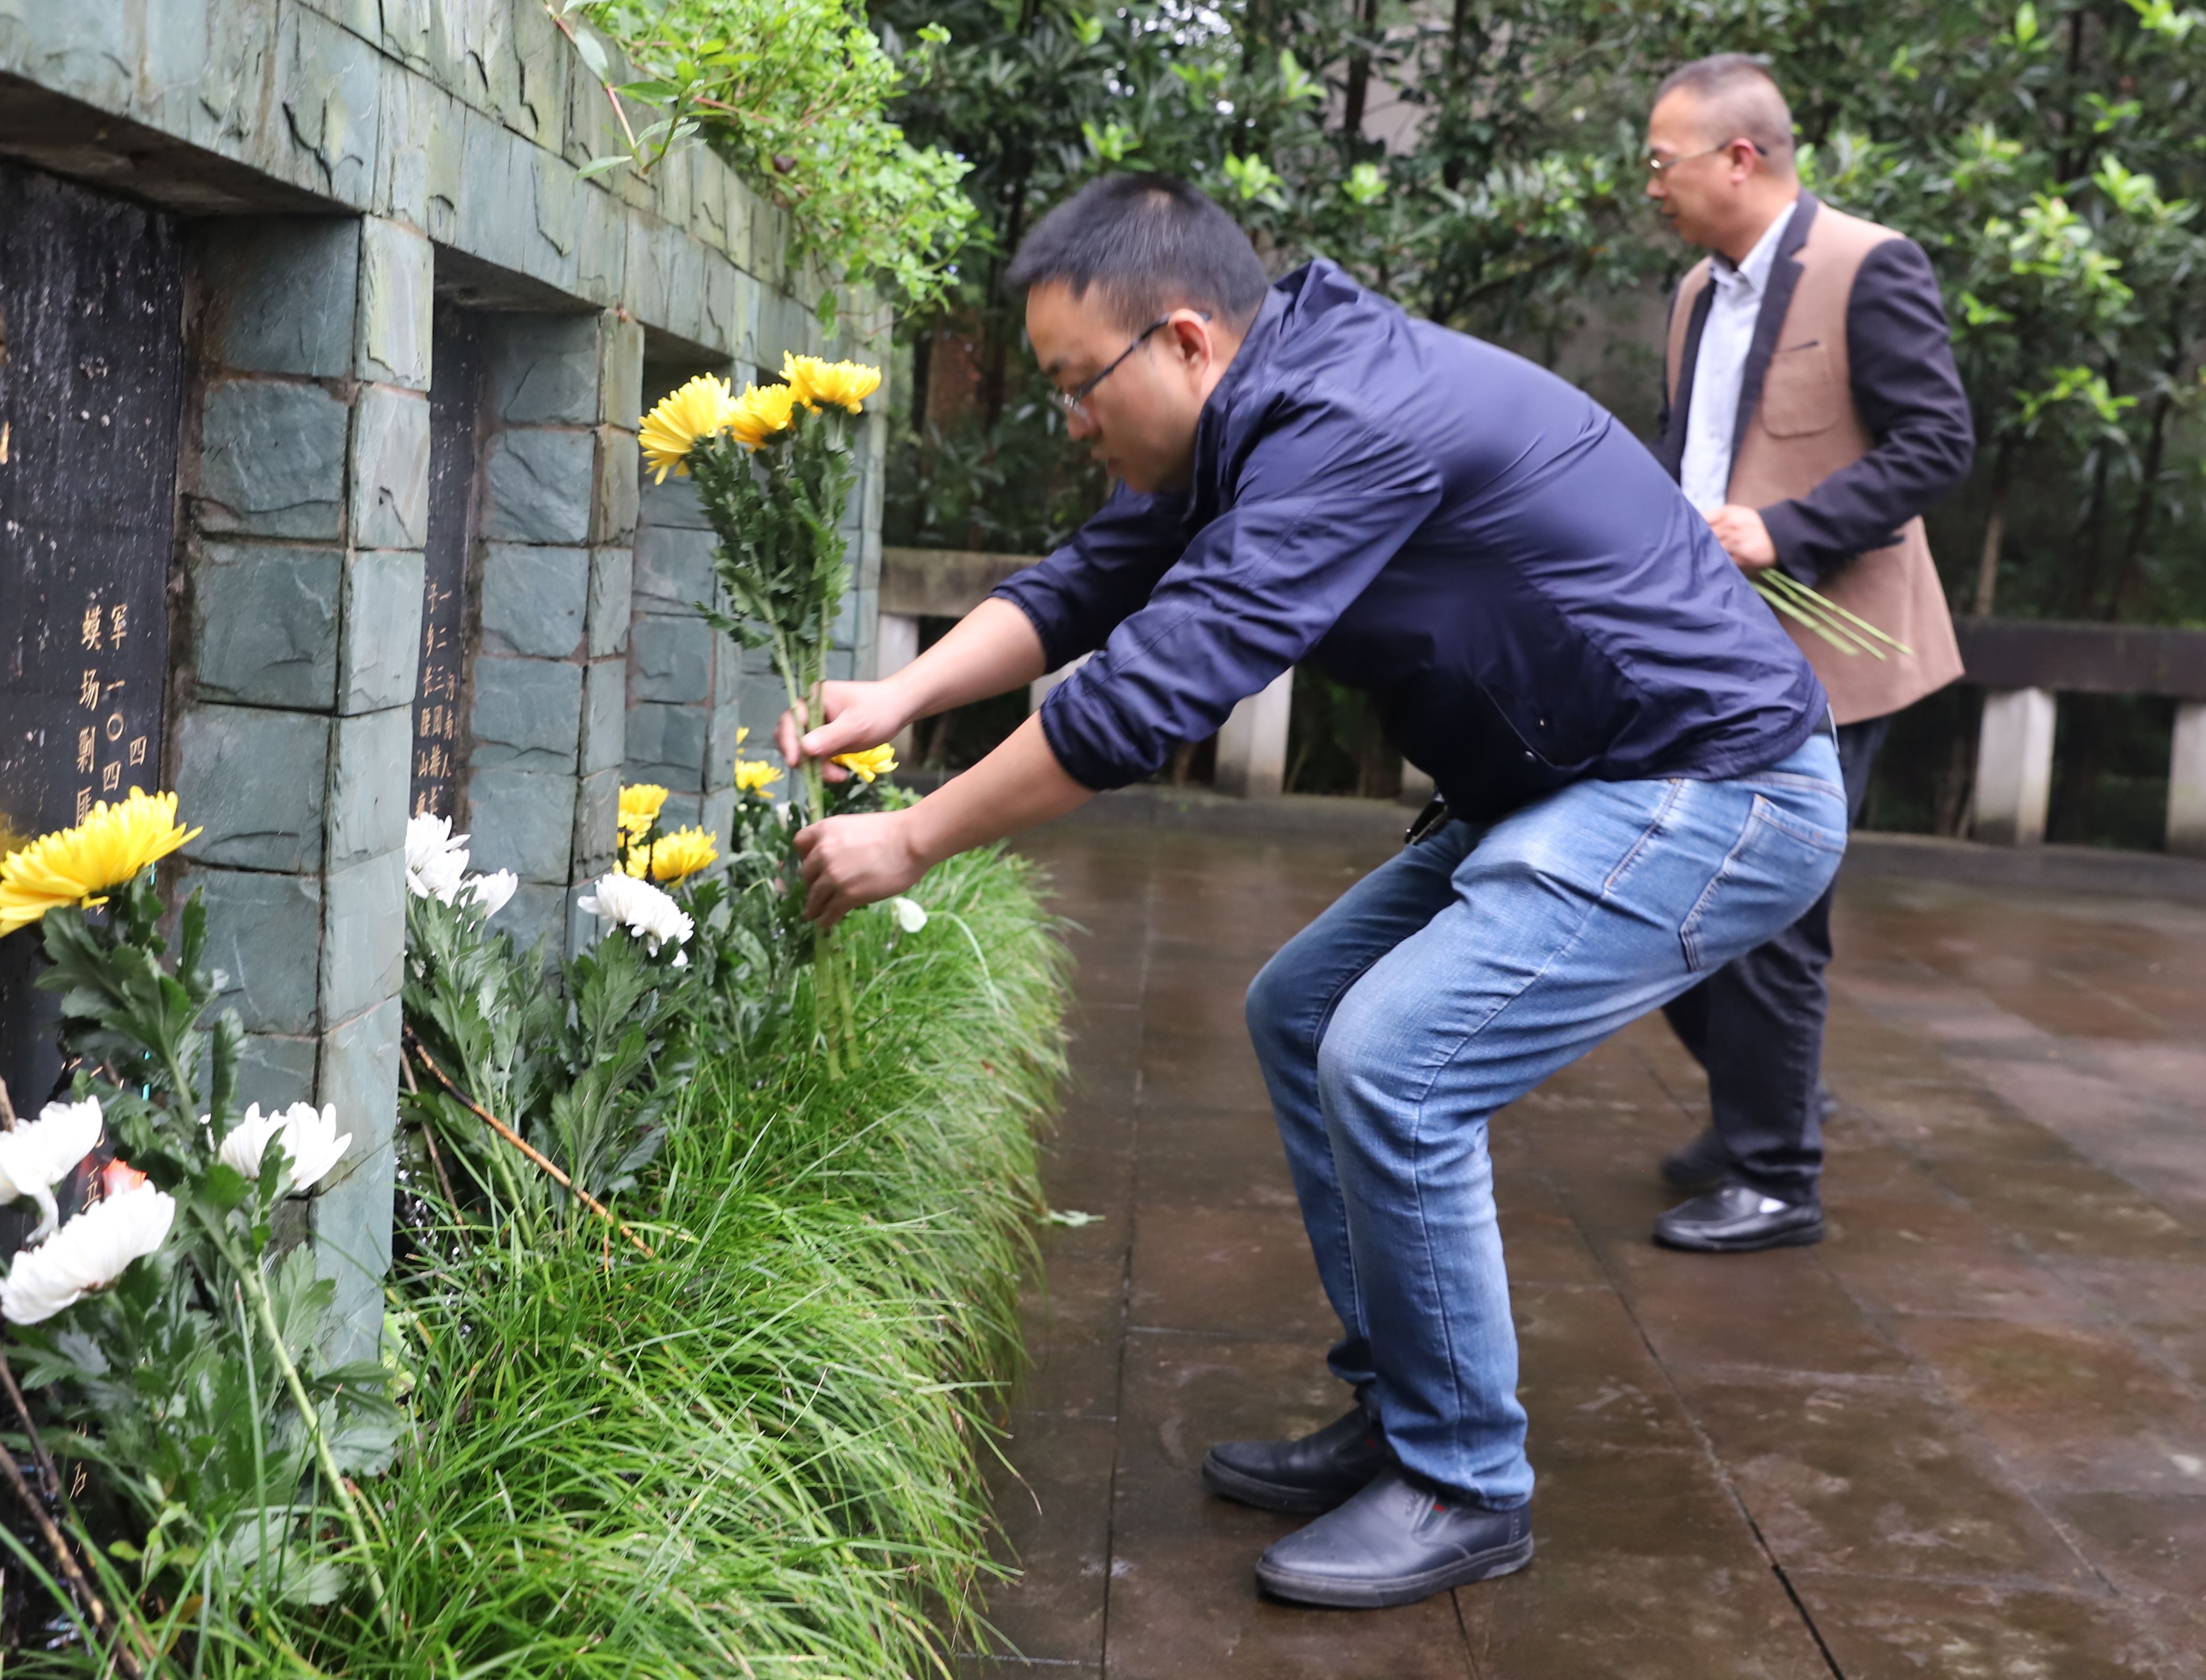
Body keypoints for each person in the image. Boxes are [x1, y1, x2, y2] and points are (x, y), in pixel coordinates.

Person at [781, 172, 1848, 1610]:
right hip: (1577, 782)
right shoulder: (1266, 410)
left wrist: (912, 841)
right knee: (1305, 1011)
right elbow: (1090, 581)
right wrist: (897, 697)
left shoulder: (1346, 424)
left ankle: (1465, 1481)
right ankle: (1405, 1410)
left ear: (1184, 341)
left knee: (1399, 1060)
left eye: (1074, 386)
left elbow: (1154, 691)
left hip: (1721, 788)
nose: (1073, 422)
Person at [1641, 54, 1973, 1253]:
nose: (1650, 186)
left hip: (1839, 652)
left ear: (1741, 158)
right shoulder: (1693, 294)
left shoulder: (1868, 265)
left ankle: (1777, 1174)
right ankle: (1759, 1107)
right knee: (1662, 887)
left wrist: (1784, 530)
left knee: (1773, 908)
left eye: (1661, 162)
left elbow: (1937, 444)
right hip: (1706, 648)